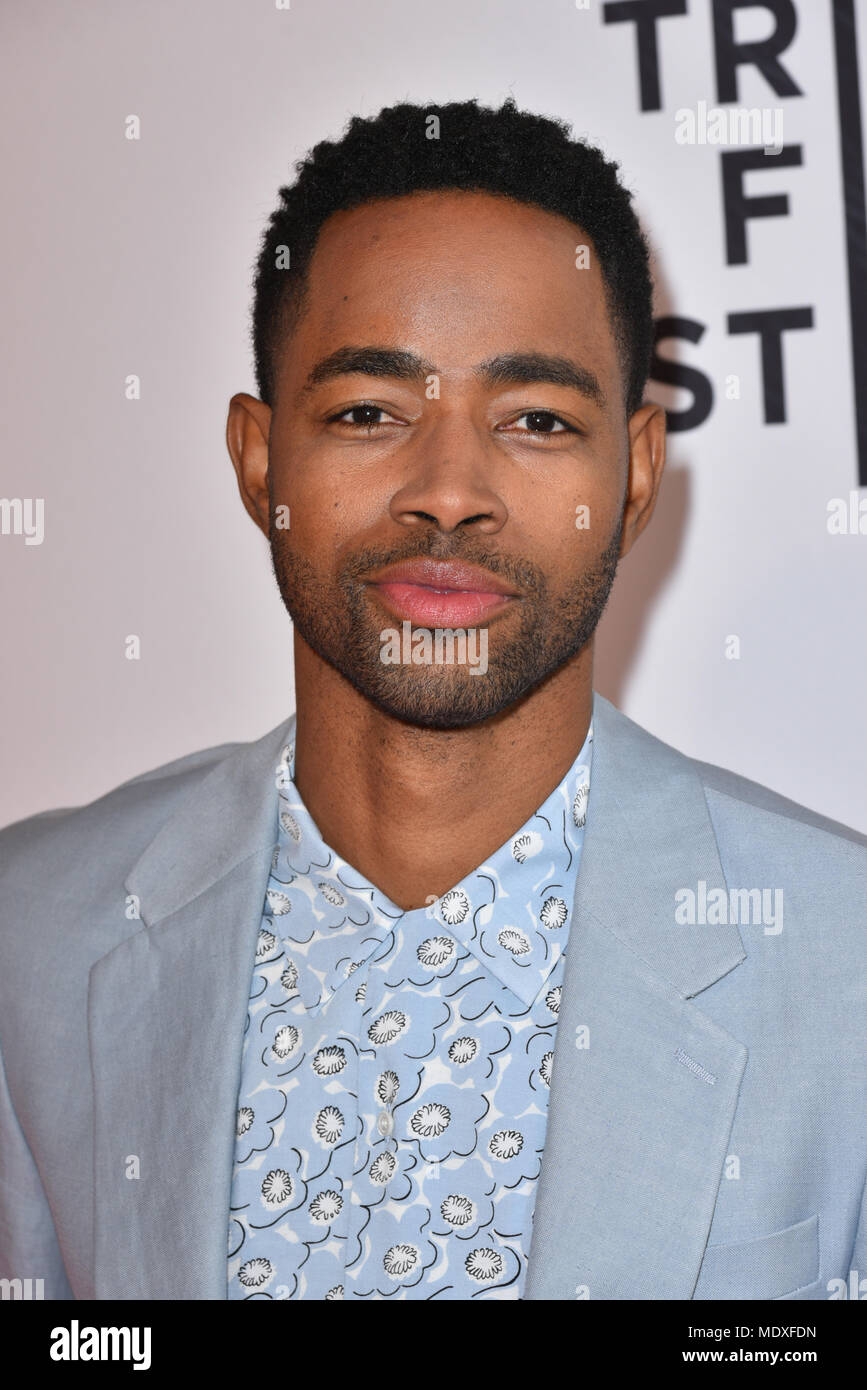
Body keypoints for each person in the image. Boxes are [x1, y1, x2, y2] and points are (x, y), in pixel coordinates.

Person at [1, 98, 865, 1302]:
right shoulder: (30, 935)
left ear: (635, 474)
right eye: (370, 411)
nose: (450, 490)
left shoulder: (843, 962)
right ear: (260, 461)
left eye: (536, 419)